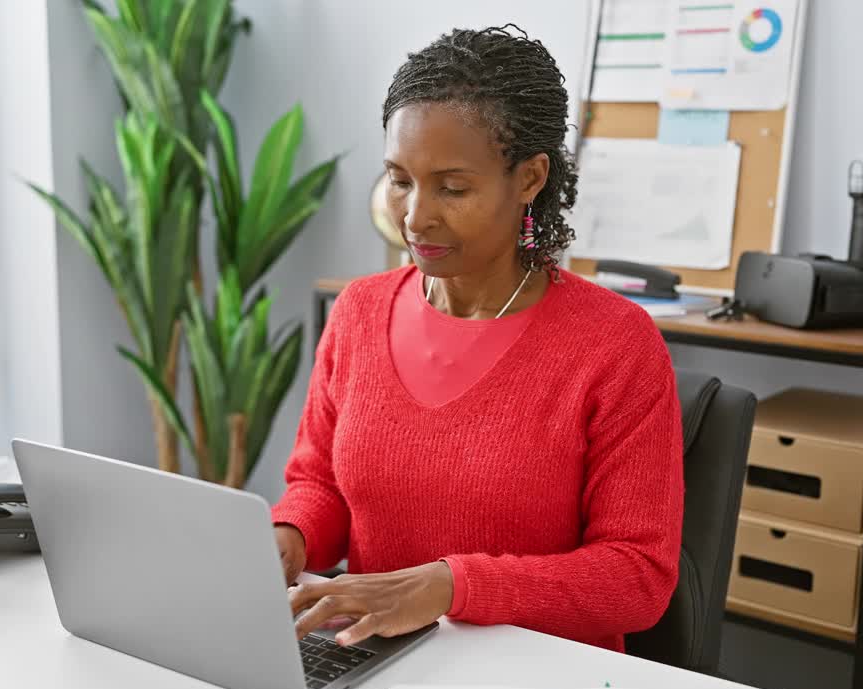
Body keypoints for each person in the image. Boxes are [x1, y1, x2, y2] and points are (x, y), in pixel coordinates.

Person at [273, 25, 683, 655]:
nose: (414, 217)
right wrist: (289, 536)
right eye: (400, 180)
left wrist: (450, 586)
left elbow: (637, 577)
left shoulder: (615, 346)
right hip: (377, 661)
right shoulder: (358, 312)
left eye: (453, 187)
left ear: (530, 178)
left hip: (537, 678)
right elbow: (321, 486)